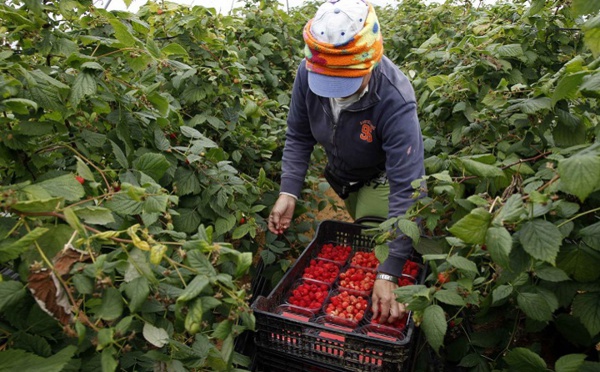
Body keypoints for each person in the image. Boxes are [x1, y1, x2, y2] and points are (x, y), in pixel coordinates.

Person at [267, 0, 425, 325]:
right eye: (329, 81)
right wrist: (289, 192)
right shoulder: (306, 74)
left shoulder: (395, 98)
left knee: (375, 249)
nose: (337, 94)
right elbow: (298, 135)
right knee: (365, 246)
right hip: (343, 179)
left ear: (370, 61)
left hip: (380, 180)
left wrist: (390, 270)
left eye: (347, 81)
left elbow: (408, 188)